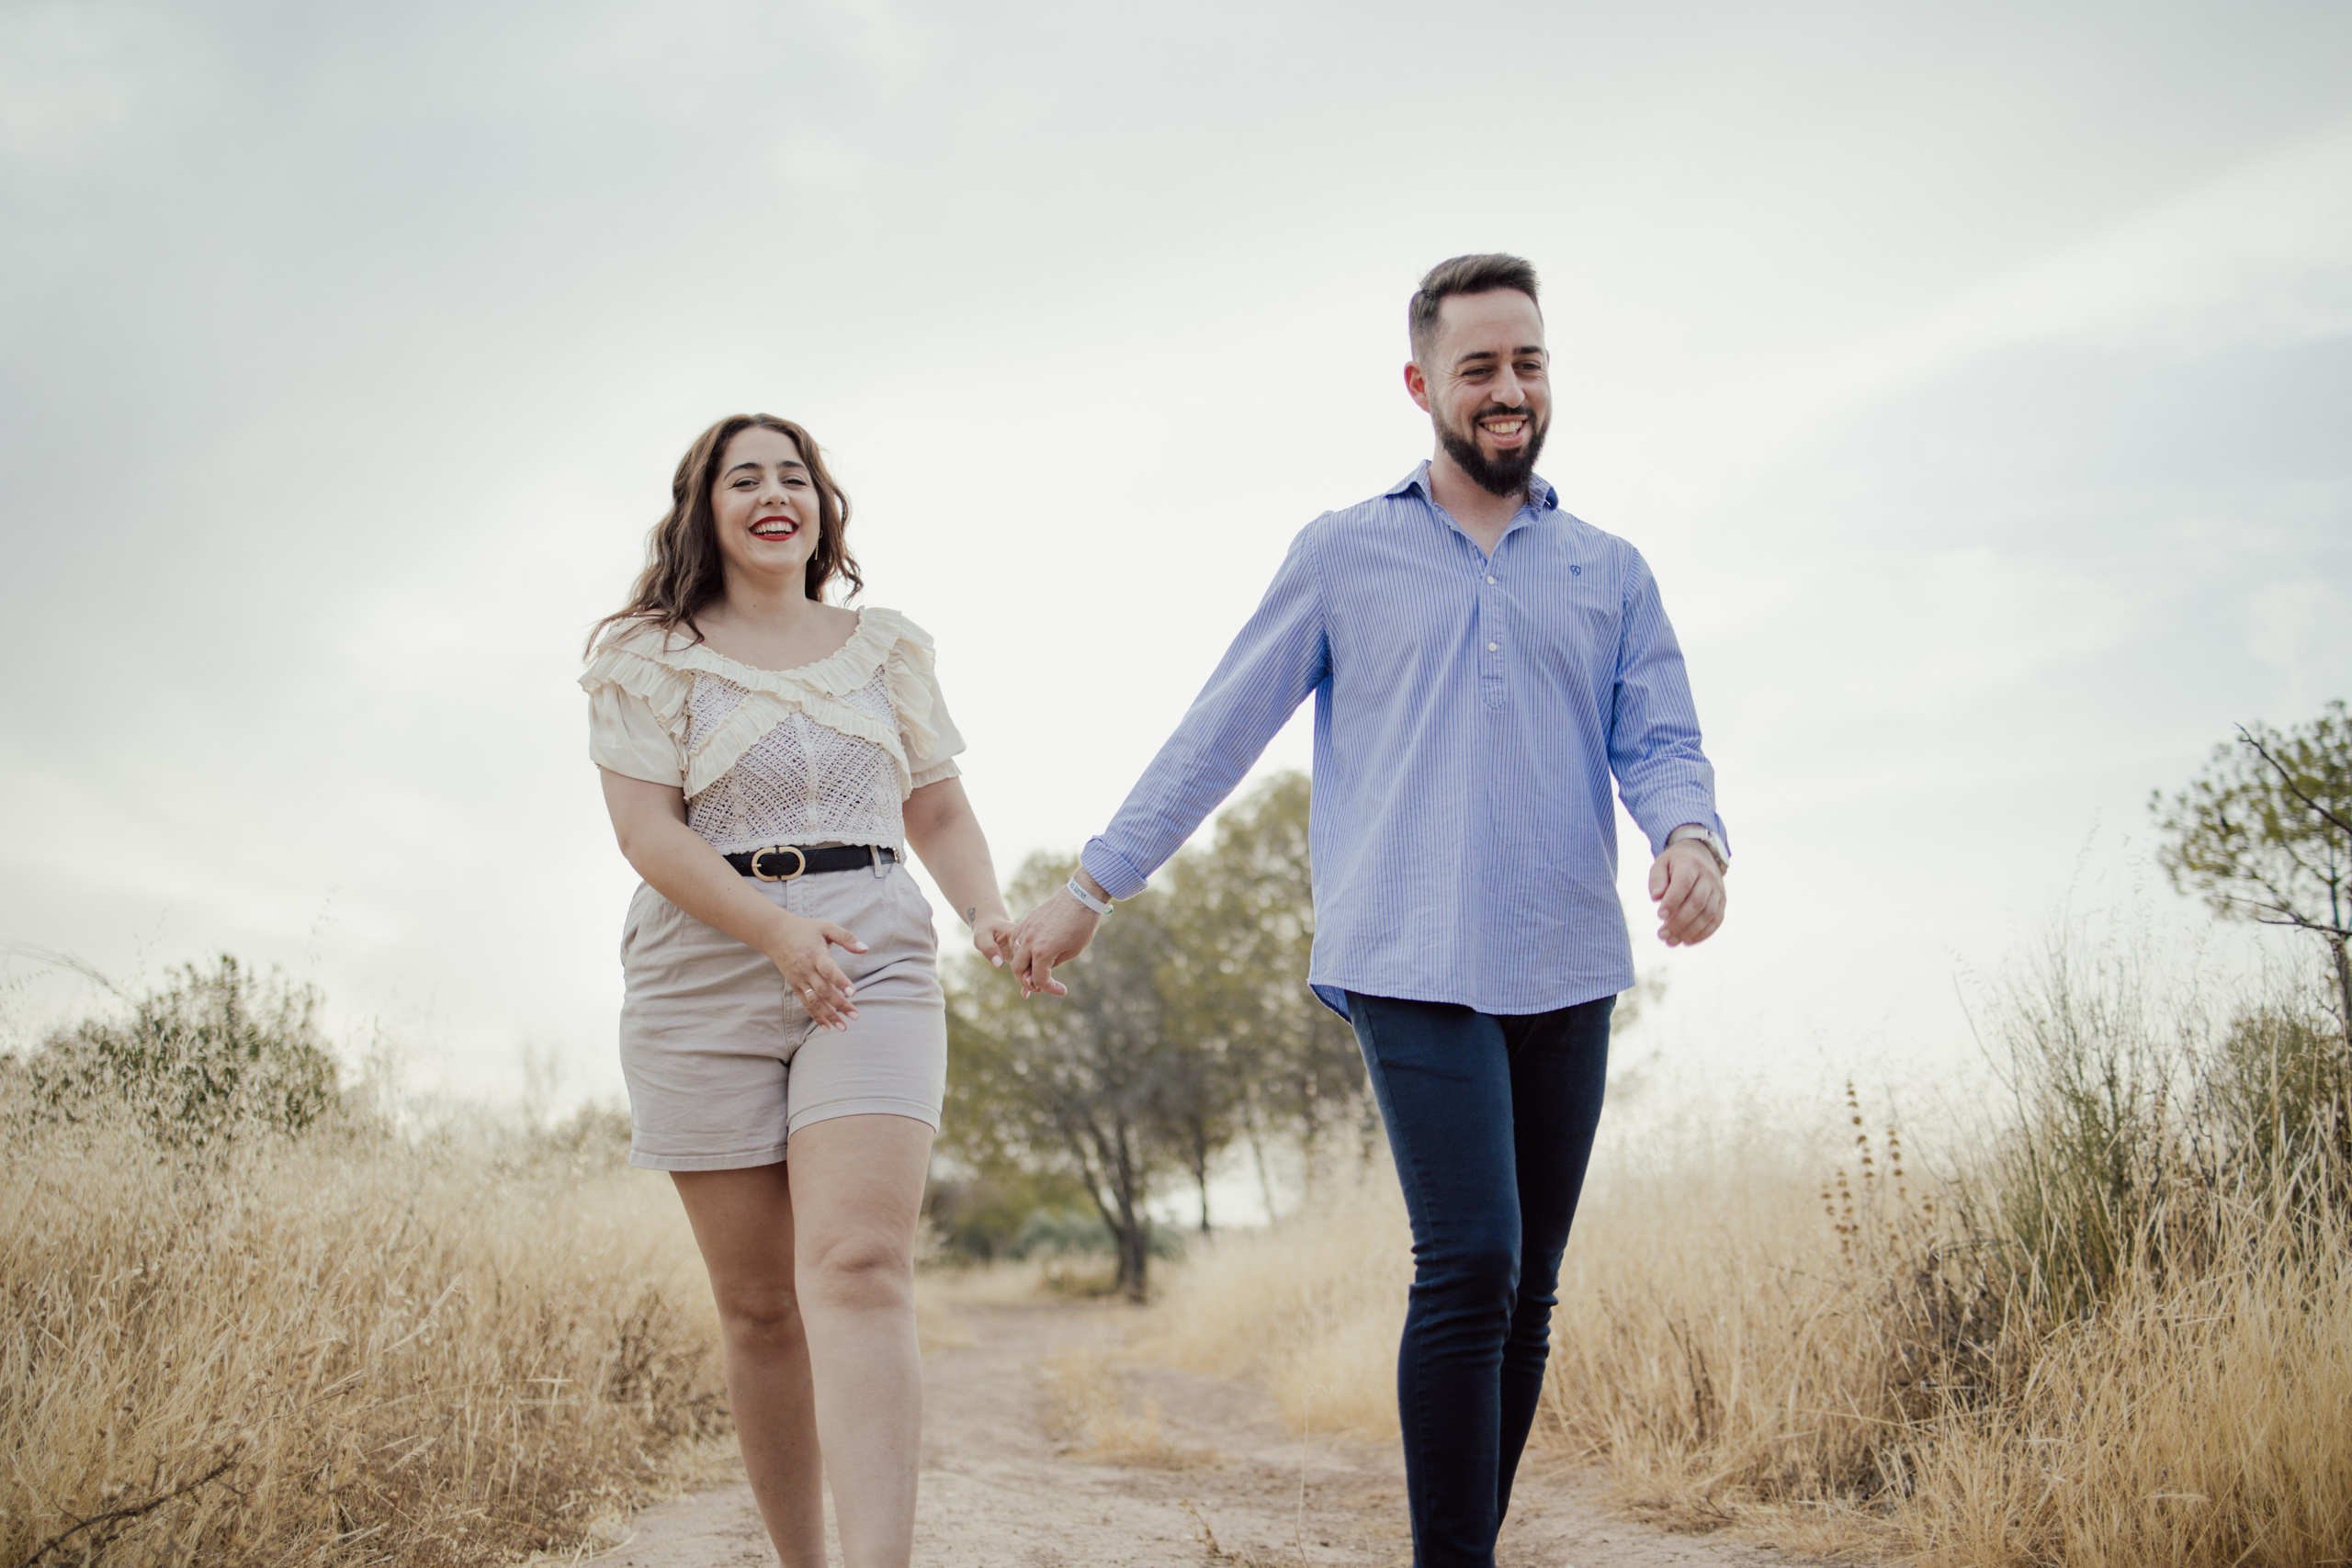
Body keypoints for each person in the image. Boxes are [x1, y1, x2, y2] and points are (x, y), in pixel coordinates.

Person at [1010, 254, 1730, 1568]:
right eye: (1479, 367)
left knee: (1529, 1292)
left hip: (1567, 955)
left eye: (1528, 362)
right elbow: (1218, 729)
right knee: (1471, 1259)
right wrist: (1091, 887)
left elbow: (1663, 736)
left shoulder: (1611, 570)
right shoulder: (1345, 551)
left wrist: (1690, 838)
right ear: (1422, 386)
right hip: (1409, 950)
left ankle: (1466, 1548)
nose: (1509, 389)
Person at [582, 413, 1014, 1568]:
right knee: (763, 1311)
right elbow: (644, 833)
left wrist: (985, 914)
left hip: (870, 946)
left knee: (859, 1268)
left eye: (797, 477)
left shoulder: (886, 649)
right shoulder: (646, 651)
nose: (776, 494)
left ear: (823, 506)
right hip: (700, 964)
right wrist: (773, 930)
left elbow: (935, 810)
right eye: (745, 478)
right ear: (703, 508)